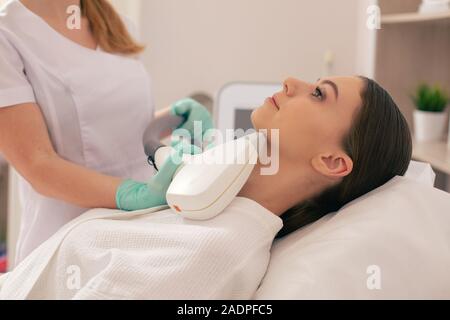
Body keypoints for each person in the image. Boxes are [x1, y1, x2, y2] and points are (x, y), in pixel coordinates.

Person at [0, 75, 413, 300]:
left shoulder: (216, 249)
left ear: (332, 162)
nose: (291, 82)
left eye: (320, 94)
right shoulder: (212, 193)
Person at [0, 0, 213, 265]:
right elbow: (37, 163)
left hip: (143, 229)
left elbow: (111, 126)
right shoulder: (7, 35)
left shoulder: (118, 25)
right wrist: (133, 194)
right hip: (66, 244)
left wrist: (173, 118)